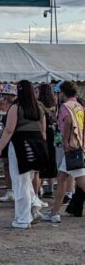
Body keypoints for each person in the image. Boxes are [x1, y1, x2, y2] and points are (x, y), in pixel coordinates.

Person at [0, 80, 48, 229]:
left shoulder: (16, 108)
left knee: (20, 182)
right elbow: (43, 130)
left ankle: (23, 219)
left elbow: (9, 130)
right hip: (37, 145)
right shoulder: (39, 107)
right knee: (27, 180)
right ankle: (34, 205)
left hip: (20, 146)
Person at [42, 81, 85, 223]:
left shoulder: (65, 107)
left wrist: (66, 141)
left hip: (71, 148)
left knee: (79, 182)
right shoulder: (79, 105)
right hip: (78, 145)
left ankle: (55, 213)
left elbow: (67, 122)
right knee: (62, 179)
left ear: (63, 92)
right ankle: (54, 212)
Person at [37, 83, 58, 197]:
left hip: (42, 133)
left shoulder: (39, 104)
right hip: (51, 132)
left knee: (42, 160)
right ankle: (50, 188)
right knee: (51, 159)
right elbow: (55, 118)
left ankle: (39, 188)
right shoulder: (54, 103)